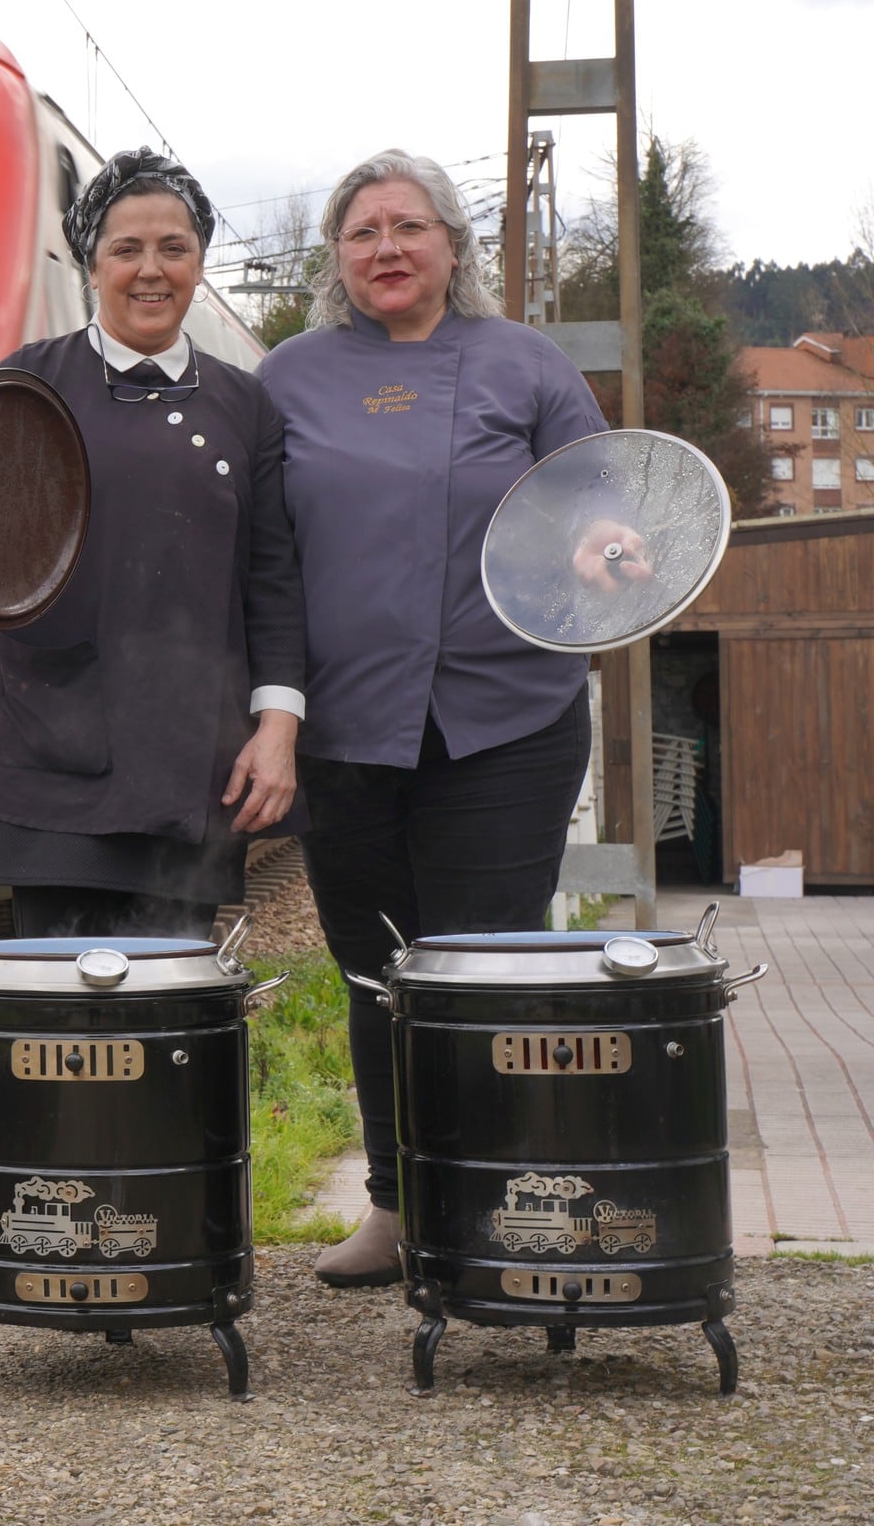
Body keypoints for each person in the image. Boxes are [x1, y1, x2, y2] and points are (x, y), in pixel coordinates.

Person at [256, 149, 609, 1287]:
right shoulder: (289, 378)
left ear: (452, 245)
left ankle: (498, 1206)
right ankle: (396, 1209)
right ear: (335, 258)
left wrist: (607, 545)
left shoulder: (524, 363)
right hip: (346, 731)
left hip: (501, 722)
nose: (386, 249)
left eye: (408, 227)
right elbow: (258, 553)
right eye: (361, 233)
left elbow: (594, 499)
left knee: (484, 974)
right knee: (375, 979)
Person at [0, 148, 307, 940]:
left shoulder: (245, 405)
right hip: (47, 757)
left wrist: (278, 726)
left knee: (171, 1012)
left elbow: (272, 579)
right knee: (61, 1014)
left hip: (188, 756)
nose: (151, 270)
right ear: (90, 265)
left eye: (175, 248)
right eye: (126, 250)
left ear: (200, 261)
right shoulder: (26, 386)